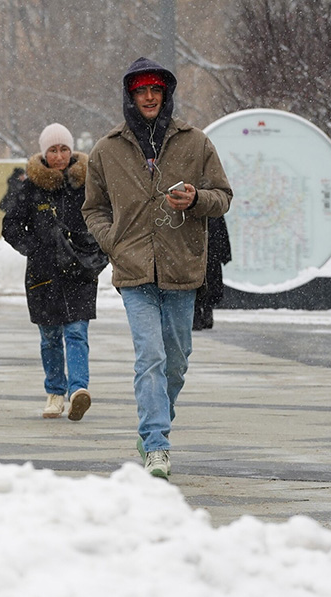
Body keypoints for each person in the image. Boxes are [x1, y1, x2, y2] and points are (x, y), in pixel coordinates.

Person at [81, 57, 233, 479]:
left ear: (165, 95)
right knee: (150, 356)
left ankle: (154, 425)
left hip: (182, 266)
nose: (149, 97)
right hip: (134, 271)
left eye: (156, 91)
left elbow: (223, 195)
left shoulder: (195, 142)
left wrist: (197, 199)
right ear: (130, 97)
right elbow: (93, 209)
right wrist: (114, 243)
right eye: (141, 91)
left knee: (177, 360)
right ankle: (156, 444)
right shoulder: (107, 150)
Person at [3, 123, 103, 421]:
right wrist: (35, 247)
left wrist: (93, 251)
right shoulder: (30, 187)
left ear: (71, 151)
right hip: (43, 273)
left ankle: (78, 390)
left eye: (63, 149)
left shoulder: (87, 184)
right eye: (52, 150)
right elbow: (10, 226)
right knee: (49, 336)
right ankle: (55, 392)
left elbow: (103, 219)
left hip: (79, 271)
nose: (59, 156)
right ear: (44, 153)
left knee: (76, 331)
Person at [193, 216, 233, 330]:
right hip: (208, 254)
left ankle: (202, 315)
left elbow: (222, 232)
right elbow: (222, 232)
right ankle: (203, 314)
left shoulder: (212, 211)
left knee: (203, 287)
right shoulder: (214, 211)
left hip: (205, 255)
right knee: (206, 286)